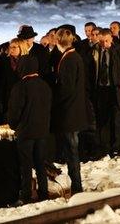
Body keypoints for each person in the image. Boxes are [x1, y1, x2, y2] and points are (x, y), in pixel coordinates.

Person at [7, 55, 51, 204]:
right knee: (40, 163)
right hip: (43, 131)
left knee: (25, 165)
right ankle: (43, 193)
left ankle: (26, 195)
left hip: (26, 132)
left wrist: (13, 125)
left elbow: (15, 111)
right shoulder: (45, 86)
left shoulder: (20, 87)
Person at [85, 29, 120, 156]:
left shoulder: (119, 52)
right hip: (100, 91)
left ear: (111, 39)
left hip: (115, 90)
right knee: (101, 120)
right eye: (101, 41)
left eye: (106, 41)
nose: (104, 44)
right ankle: (103, 146)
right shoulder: (93, 52)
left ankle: (117, 146)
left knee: (116, 120)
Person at [53, 28, 88, 194]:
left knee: (72, 150)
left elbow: (66, 88)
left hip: (69, 112)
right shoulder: (75, 56)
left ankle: (77, 186)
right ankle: (76, 184)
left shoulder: (69, 59)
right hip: (75, 110)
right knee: (73, 149)